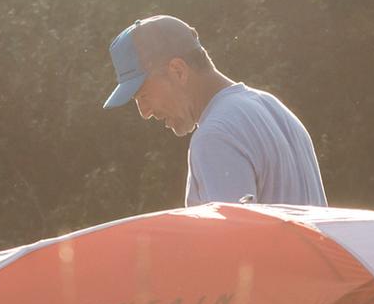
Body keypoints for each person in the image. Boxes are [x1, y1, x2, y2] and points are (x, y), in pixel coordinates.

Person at [103, 15, 328, 207]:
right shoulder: (275, 110)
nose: (144, 112)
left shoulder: (215, 136)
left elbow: (233, 251)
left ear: (178, 71)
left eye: (143, 95)